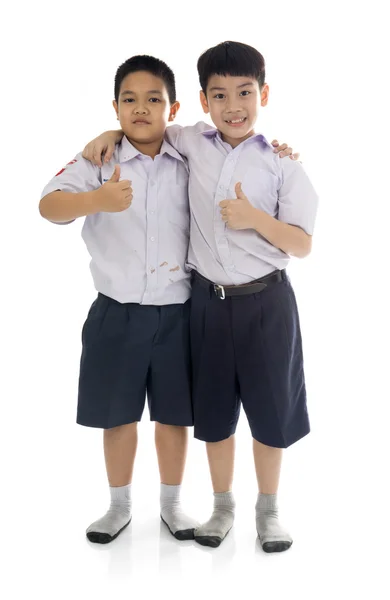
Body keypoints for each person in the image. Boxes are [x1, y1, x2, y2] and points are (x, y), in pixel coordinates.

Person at [82, 41, 310, 553]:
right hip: (206, 302)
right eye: (220, 95)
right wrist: (111, 132)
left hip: (269, 303)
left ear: (264, 94)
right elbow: (146, 125)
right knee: (213, 413)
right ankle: (221, 506)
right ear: (203, 103)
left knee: (272, 413)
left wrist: (255, 219)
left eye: (245, 93)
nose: (234, 106)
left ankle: (268, 512)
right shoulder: (191, 141)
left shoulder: (281, 163)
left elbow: (303, 244)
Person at [39, 54, 201, 544]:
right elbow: (48, 206)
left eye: (154, 99)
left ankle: (173, 505)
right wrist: (96, 200)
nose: (142, 109)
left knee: (175, 415)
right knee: (118, 414)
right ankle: (119, 506)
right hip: (116, 312)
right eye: (129, 99)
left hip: (179, 311)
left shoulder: (190, 155)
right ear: (115, 108)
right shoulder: (100, 160)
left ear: (172, 110)